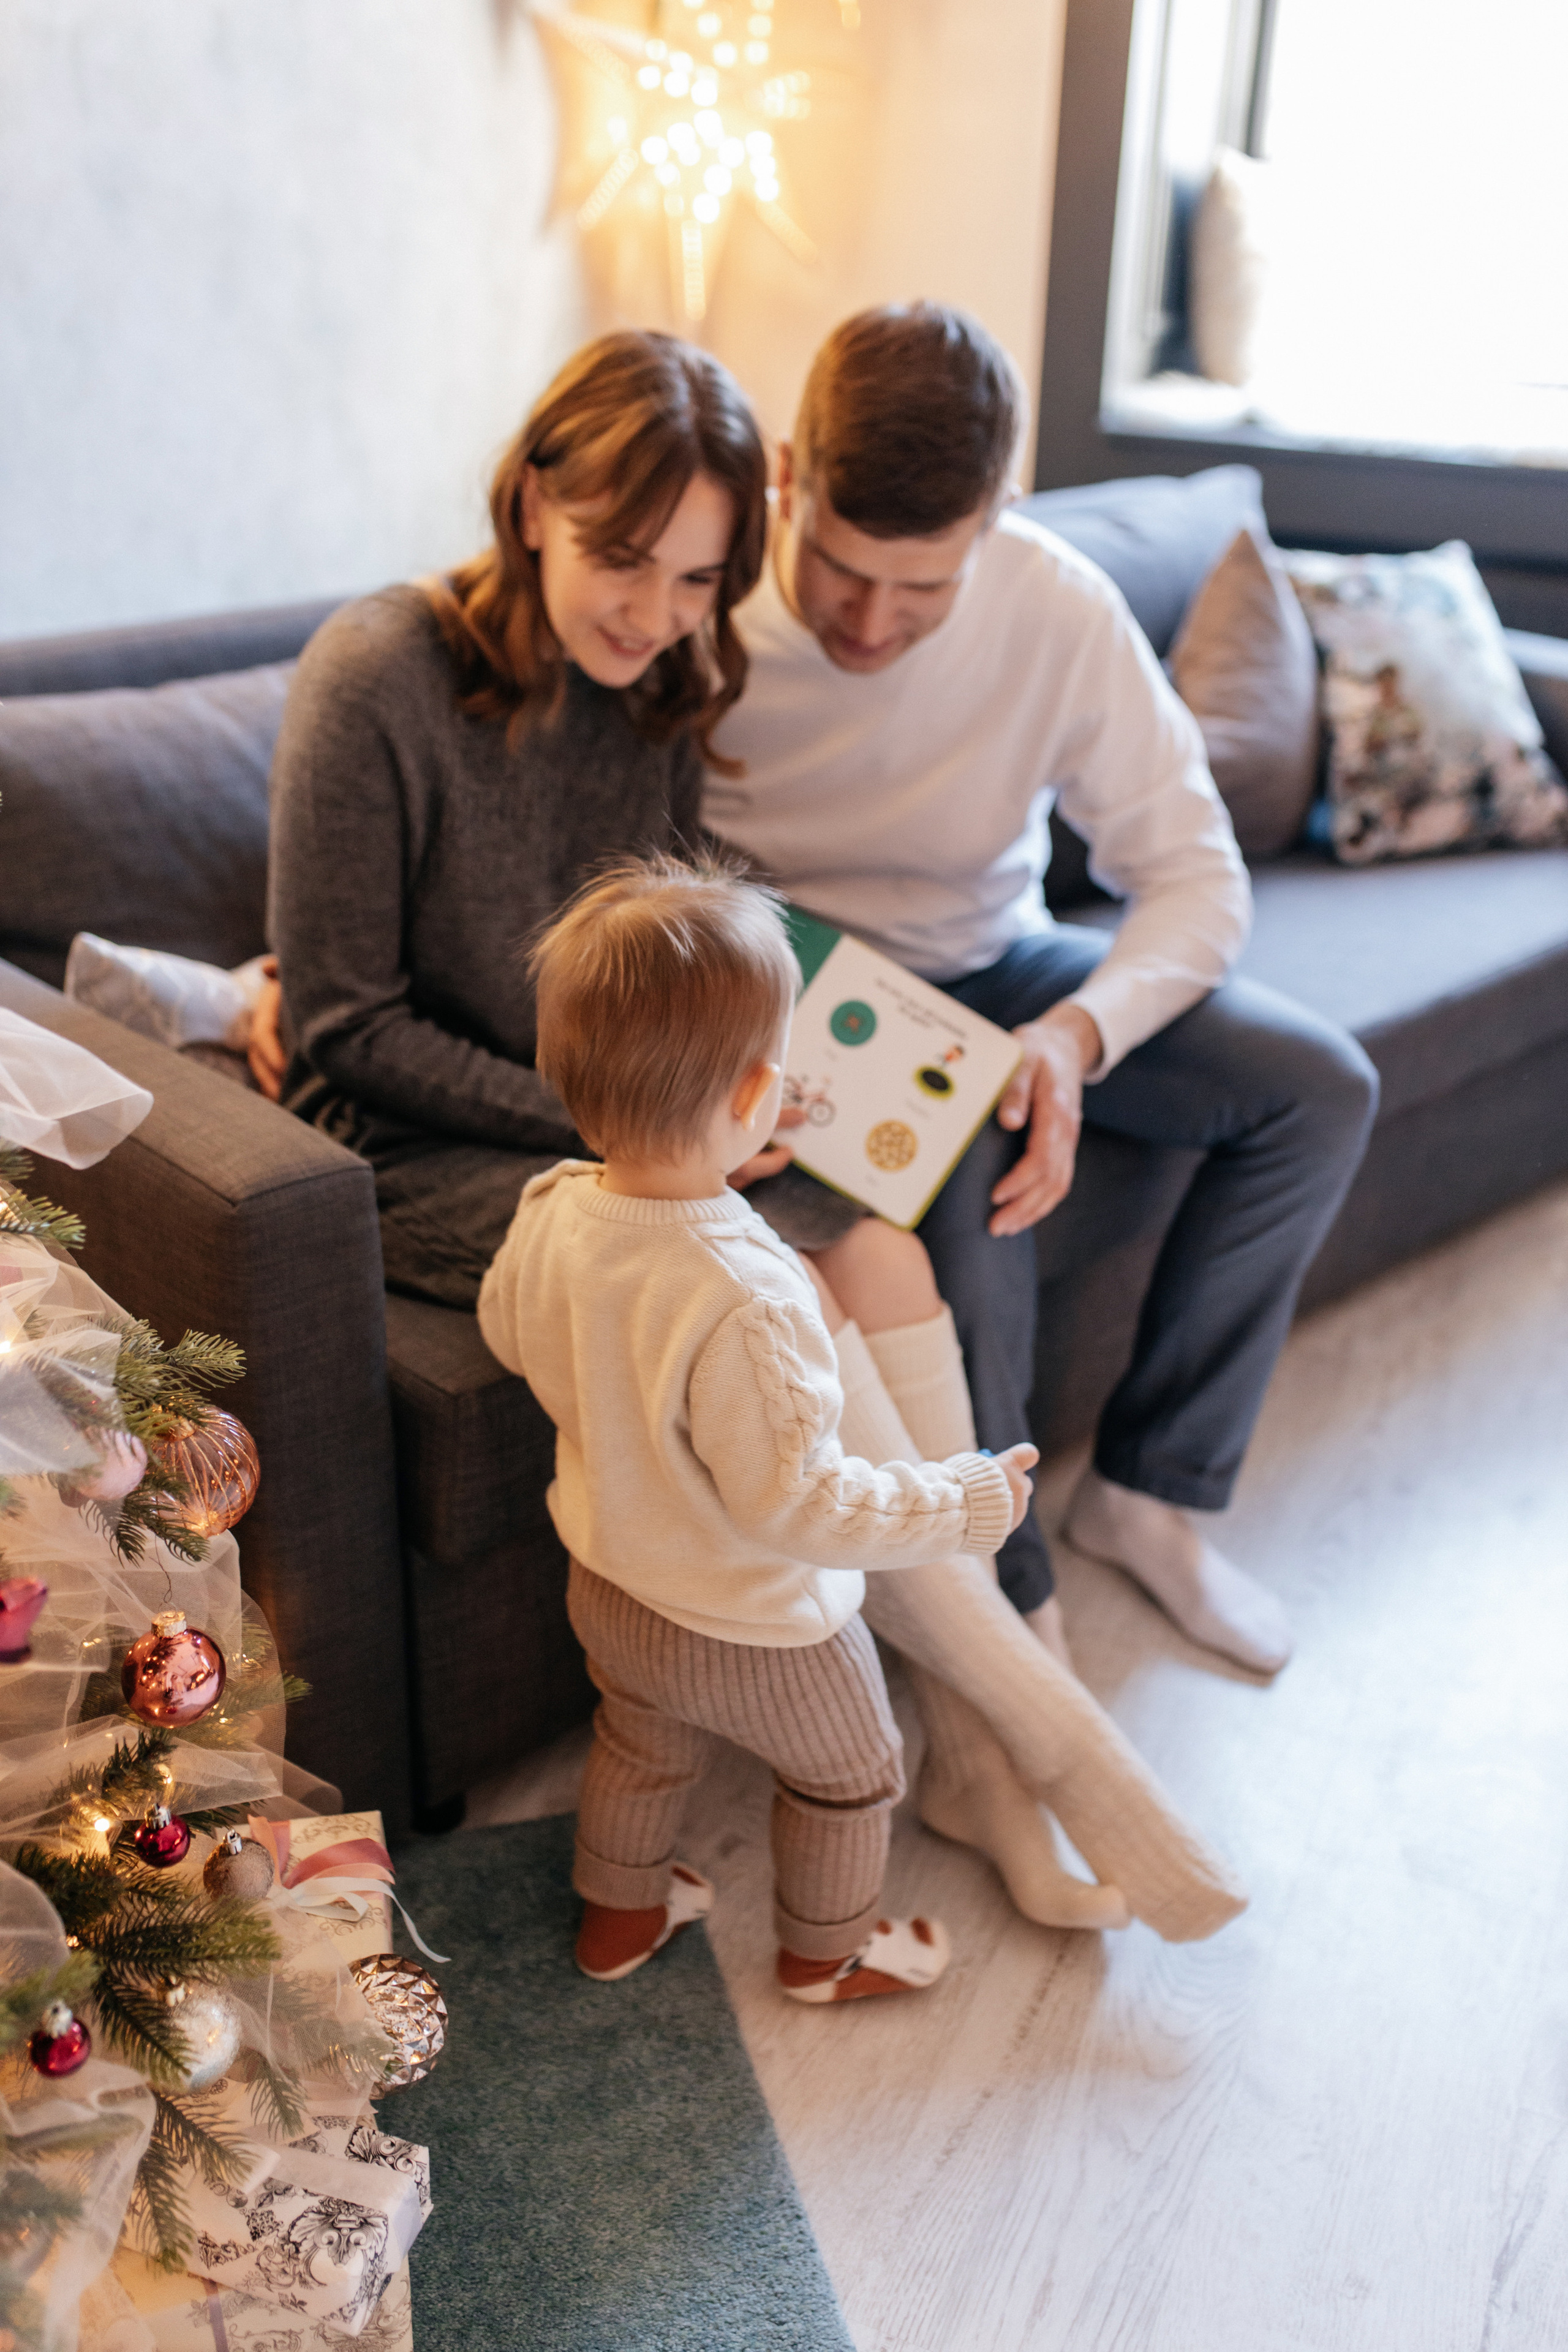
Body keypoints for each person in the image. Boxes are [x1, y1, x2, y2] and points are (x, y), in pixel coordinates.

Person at [263, 328, 1246, 1946]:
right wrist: (649, 1127)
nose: (653, 615)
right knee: (747, 1268)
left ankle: (989, 1738)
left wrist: (762, 1091)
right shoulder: (376, 674)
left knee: (869, 1223)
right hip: (424, 1145)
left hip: (626, 1127)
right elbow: (340, 1033)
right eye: (621, 559)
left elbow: (682, 964)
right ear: (533, 505)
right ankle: (1039, 1730)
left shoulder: (657, 696)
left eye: (700, 579)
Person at [707, 301, 1381, 1681]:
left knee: (1316, 1091)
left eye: (923, 590)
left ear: (995, 519)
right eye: (840, 570)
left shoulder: (1052, 603)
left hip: (1001, 960)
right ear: (791, 475)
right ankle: (1013, 1620)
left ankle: (1150, 1493)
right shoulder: (695, 602)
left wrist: (1071, 1038)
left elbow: (1196, 878)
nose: (871, 623)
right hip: (793, 993)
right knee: (973, 1179)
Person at [477, 856, 1036, 1999]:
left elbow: (506, 1334)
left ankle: (620, 1919)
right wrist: (963, 1499)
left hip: (611, 1582)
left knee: (640, 1744)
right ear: (750, 1101)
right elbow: (804, 1504)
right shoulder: (754, 1290)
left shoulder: (552, 1208)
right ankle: (827, 1951)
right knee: (852, 1777)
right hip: (757, 1625)